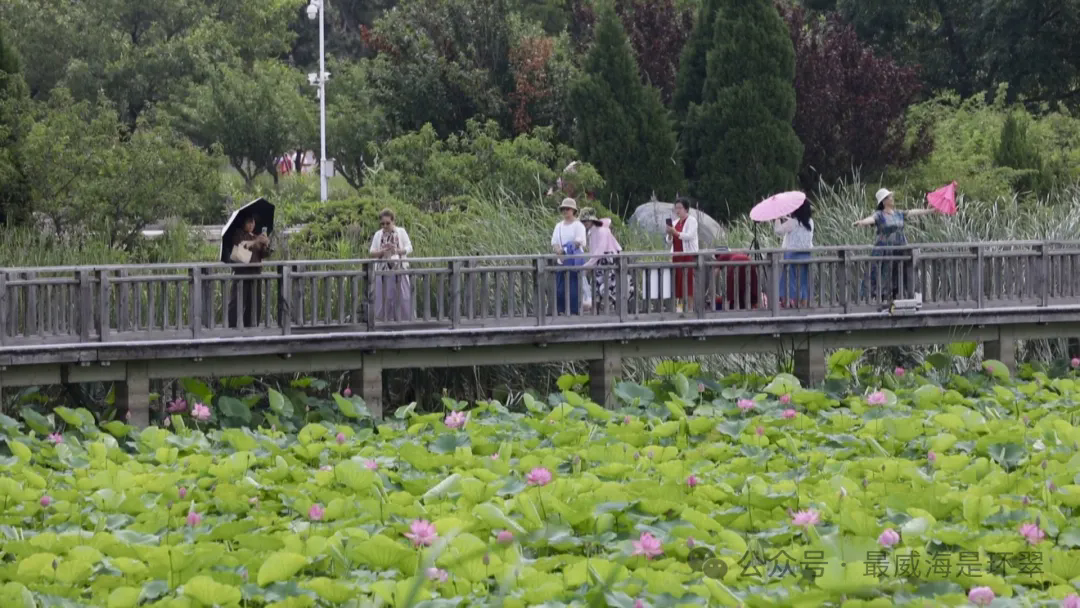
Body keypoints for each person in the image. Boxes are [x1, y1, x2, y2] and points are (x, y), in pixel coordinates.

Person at [854, 188, 940, 300]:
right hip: (885, 251)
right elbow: (871, 219)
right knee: (882, 276)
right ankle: (881, 300)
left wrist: (929, 211)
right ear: (884, 201)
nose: (892, 199)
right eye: (889, 197)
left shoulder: (899, 213)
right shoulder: (879, 215)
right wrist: (861, 222)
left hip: (900, 249)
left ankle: (898, 299)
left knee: (900, 275)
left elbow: (912, 212)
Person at [369, 209, 414, 322]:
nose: (385, 226)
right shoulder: (378, 235)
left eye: (388, 223)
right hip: (383, 271)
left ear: (393, 221)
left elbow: (409, 247)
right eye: (383, 224)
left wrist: (398, 251)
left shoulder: (401, 232)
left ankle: (404, 321)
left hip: (400, 269)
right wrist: (382, 252)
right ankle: (383, 321)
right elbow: (371, 252)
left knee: (403, 297)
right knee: (384, 299)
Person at [227, 214, 272, 328]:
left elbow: (264, 254)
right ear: (244, 223)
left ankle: (252, 326)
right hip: (241, 273)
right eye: (249, 222)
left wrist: (266, 244)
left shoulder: (256, 236)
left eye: (253, 222)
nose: (251, 224)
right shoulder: (238, 234)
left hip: (255, 273)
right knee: (237, 303)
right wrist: (256, 241)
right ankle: (233, 326)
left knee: (255, 303)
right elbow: (242, 246)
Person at [580, 207, 624, 313]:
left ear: (592, 220)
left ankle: (613, 313)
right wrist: (591, 263)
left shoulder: (602, 230)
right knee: (596, 287)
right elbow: (593, 252)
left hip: (607, 260)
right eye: (583, 221)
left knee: (608, 288)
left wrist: (588, 265)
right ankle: (596, 313)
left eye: (586, 220)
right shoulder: (591, 232)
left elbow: (600, 250)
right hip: (598, 262)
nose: (585, 223)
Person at [775, 198, 814, 308]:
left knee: (789, 281)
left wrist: (778, 218)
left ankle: (790, 304)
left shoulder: (792, 223)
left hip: (792, 256)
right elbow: (800, 227)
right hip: (806, 256)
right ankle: (804, 304)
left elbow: (778, 231)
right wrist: (788, 219)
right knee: (803, 281)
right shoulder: (810, 222)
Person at [551, 198, 587, 315]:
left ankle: (574, 312)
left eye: (567, 209)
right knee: (560, 289)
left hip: (574, 261)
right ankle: (561, 311)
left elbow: (579, 242)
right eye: (563, 209)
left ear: (573, 210)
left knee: (574, 289)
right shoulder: (558, 226)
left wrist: (566, 250)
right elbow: (554, 242)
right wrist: (559, 251)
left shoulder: (578, 225)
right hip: (562, 261)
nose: (565, 211)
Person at [666, 197, 699, 312]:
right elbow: (669, 241)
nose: (678, 210)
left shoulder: (692, 221)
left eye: (680, 208)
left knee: (688, 282)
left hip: (688, 255)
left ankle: (690, 308)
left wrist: (675, 232)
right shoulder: (675, 222)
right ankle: (679, 307)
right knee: (677, 282)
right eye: (676, 208)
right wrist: (670, 234)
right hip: (676, 255)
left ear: (686, 209)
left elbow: (689, 236)